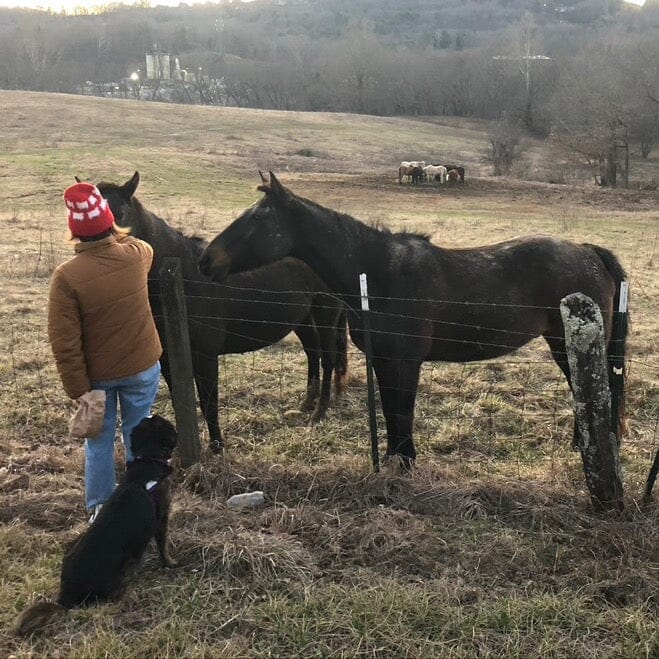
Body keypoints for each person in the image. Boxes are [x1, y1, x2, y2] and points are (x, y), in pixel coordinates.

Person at [48, 182, 162, 522]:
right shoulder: (138, 255)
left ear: (75, 231)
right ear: (110, 220)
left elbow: (64, 341)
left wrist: (77, 390)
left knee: (97, 442)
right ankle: (140, 499)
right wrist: (115, 238)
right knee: (137, 434)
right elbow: (140, 244)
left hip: (97, 378)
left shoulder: (66, 277)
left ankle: (100, 508)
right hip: (142, 367)